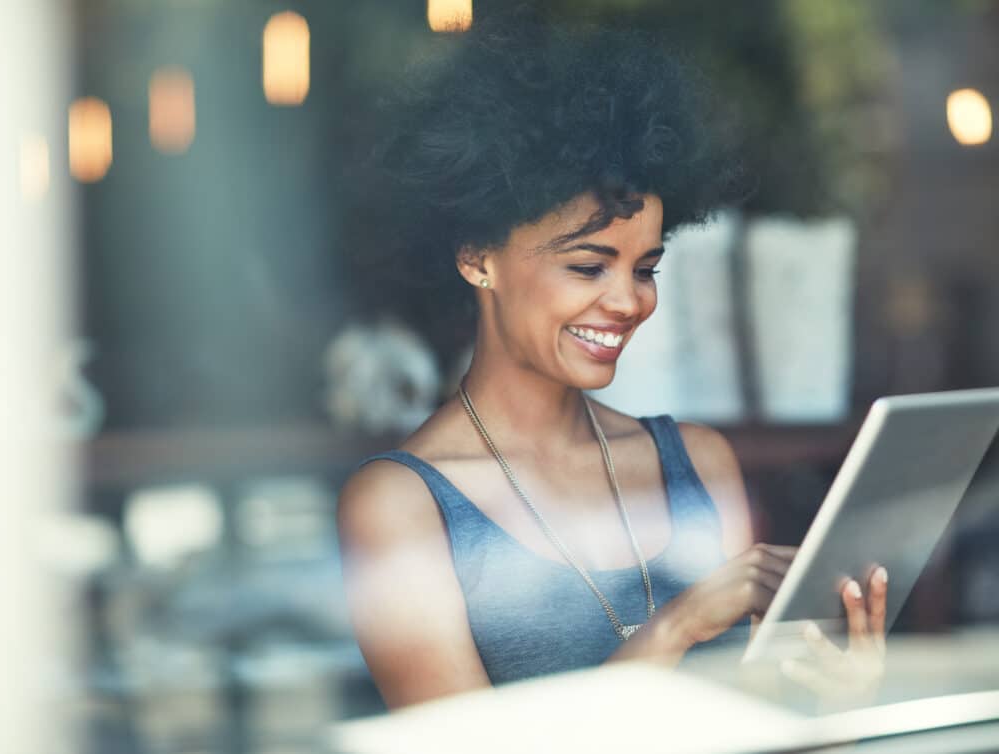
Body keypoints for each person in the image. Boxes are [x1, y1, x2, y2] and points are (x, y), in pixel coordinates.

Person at [336, 13, 888, 710]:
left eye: (646, 268)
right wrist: (677, 628)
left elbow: (763, 722)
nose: (629, 302)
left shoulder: (699, 463)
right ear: (478, 256)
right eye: (589, 266)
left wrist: (842, 695)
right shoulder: (401, 507)